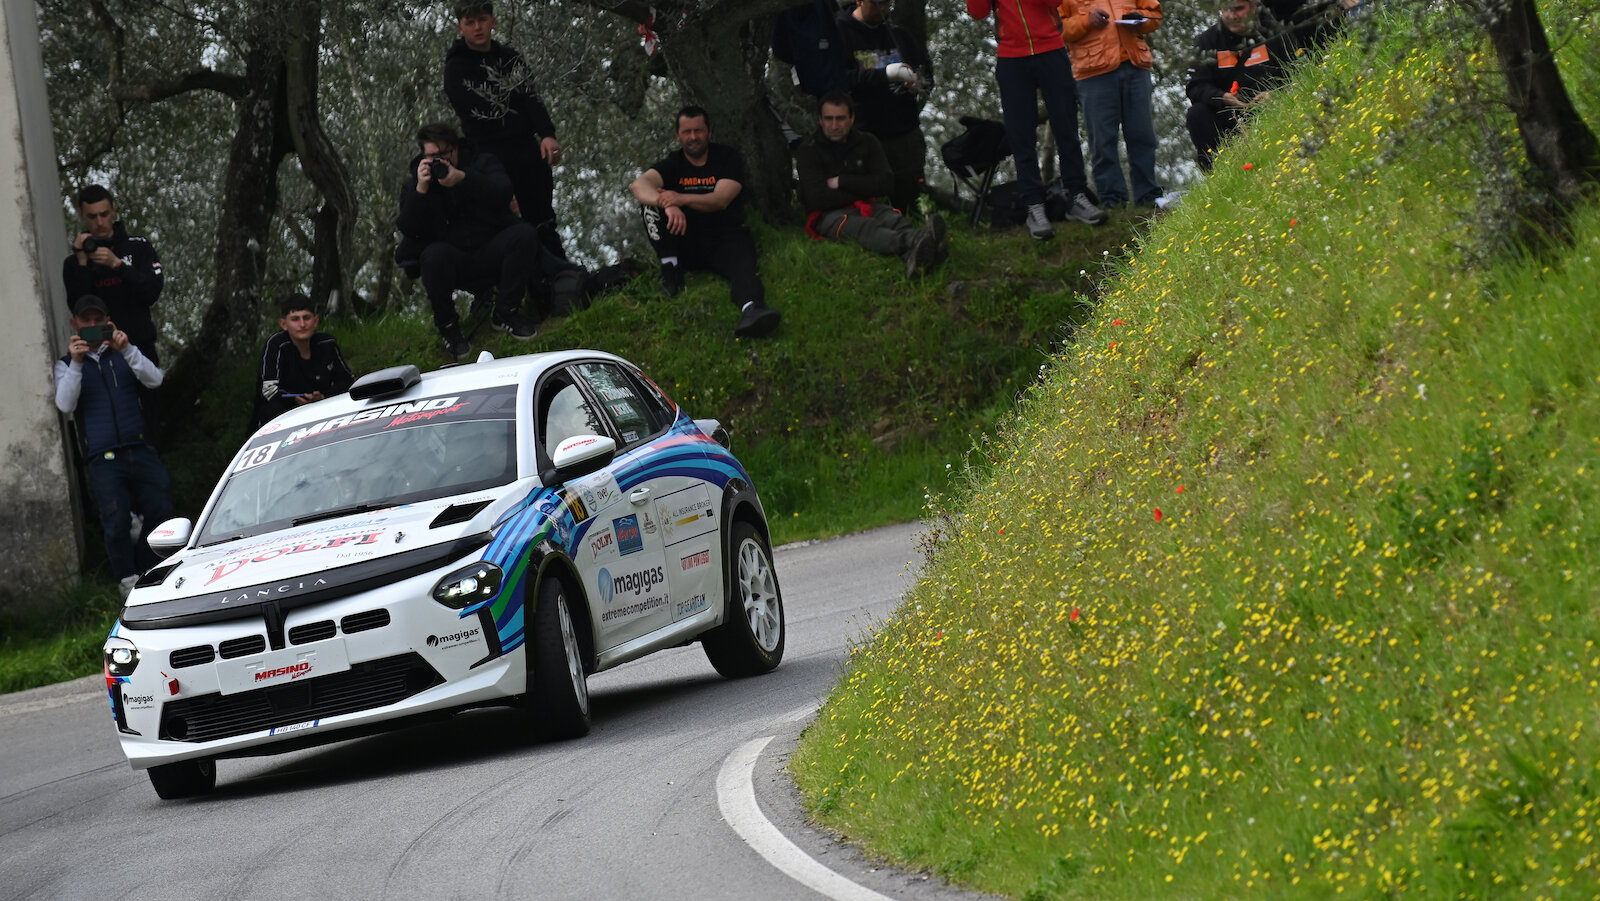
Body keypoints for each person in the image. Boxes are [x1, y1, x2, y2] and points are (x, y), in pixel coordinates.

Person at [53, 295, 174, 598]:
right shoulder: (66, 364)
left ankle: (150, 568)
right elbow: (65, 404)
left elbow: (155, 380)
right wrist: (77, 363)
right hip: (102, 456)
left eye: (99, 320)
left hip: (139, 446)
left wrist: (128, 349)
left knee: (161, 507)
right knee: (116, 519)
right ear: (75, 324)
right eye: (87, 321)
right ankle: (127, 579)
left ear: (109, 322)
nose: (93, 325)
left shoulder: (125, 352)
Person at [628, 106, 781, 339]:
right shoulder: (673, 163)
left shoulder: (728, 158)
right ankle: (671, 270)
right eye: (687, 132)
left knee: (743, 269)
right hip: (686, 241)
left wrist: (680, 198)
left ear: (709, 131)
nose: (693, 137)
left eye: (698, 131)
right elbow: (638, 186)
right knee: (649, 204)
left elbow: (721, 200)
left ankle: (751, 309)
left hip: (725, 238)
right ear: (678, 135)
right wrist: (666, 203)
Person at [397, 121, 541, 360]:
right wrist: (421, 190)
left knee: (524, 234)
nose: (438, 161)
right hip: (453, 261)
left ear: (455, 149)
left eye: (443, 154)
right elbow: (408, 228)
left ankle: (506, 312)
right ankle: (449, 328)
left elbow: (503, 191)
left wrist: (463, 179)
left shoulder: (482, 163)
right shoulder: (415, 185)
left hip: (490, 250)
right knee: (432, 256)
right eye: (431, 156)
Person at [966, 0, 1107, 240]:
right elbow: (977, 12)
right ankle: (1033, 205)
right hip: (1011, 58)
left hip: (1051, 50)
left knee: (1066, 127)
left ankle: (1076, 195)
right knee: (1021, 135)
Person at [444, 1, 567, 262]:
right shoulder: (456, 68)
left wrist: (547, 134)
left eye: (482, 20)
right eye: (470, 22)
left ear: (493, 21)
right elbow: (477, 111)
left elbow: (531, 99)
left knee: (543, 218)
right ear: (460, 28)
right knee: (507, 224)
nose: (478, 27)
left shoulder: (510, 58)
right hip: (489, 156)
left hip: (526, 151)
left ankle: (561, 275)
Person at [797, 92, 948, 279]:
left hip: (870, 205)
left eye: (840, 118)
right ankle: (919, 241)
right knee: (866, 227)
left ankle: (915, 256)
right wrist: (864, 187)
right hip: (829, 216)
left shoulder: (867, 142)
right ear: (820, 120)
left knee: (895, 220)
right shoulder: (809, 150)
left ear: (851, 119)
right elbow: (817, 199)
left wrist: (843, 181)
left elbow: (885, 184)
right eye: (829, 119)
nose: (834, 125)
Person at [1059, 0, 1166, 208]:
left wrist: (1139, 18)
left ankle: (1148, 195)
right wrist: (1086, 21)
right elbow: (1056, 28)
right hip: (1093, 74)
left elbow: (1154, 14)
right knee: (1102, 140)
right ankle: (1113, 199)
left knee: (1143, 135)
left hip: (1136, 66)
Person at [836, 0, 934, 214]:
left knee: (912, 202)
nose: (883, 8)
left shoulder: (899, 35)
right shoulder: (840, 32)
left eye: (887, 2)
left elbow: (925, 71)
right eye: (877, 3)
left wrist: (918, 82)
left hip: (904, 132)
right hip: (864, 131)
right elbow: (839, 78)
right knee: (869, 203)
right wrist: (885, 75)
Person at [1185, 0, 1298, 171]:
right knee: (1196, 113)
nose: (1232, 16)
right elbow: (1195, 86)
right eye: (1226, 10)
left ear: (1253, 6)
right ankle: (1216, 173)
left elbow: (1297, 72)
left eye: (1238, 9)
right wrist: (1223, 97)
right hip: (1230, 113)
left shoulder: (1275, 31)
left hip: (1273, 108)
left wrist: (1277, 94)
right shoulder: (1208, 40)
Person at [62, 185, 164, 366]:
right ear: (82, 215)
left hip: (140, 348)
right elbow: (79, 309)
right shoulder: (74, 263)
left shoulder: (138, 246)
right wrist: (83, 264)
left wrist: (118, 265)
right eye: (92, 216)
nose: (100, 222)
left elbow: (151, 292)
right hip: (98, 354)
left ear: (114, 210)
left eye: (104, 214)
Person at [253, 294, 355, 429]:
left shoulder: (327, 343)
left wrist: (323, 396)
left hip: (323, 413)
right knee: (271, 408)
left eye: (306, 318)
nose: (302, 324)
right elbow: (268, 389)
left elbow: (348, 381)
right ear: (284, 324)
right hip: (282, 418)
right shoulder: (276, 345)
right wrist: (296, 399)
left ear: (316, 321)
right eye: (295, 319)